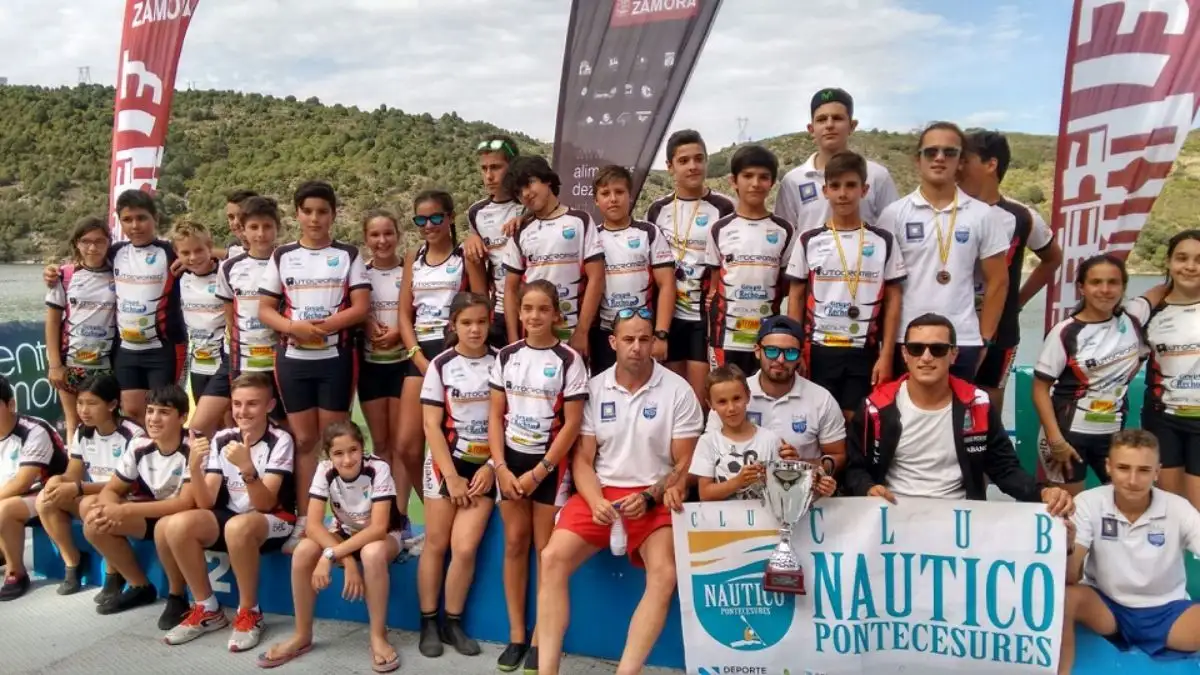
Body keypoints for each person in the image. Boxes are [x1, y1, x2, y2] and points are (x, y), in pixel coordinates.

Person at [536, 307, 703, 675]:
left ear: (654, 342)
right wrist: (596, 501)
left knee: (665, 574)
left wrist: (649, 496)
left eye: (644, 339)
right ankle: (546, 670)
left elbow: (685, 464)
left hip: (654, 496)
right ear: (613, 342)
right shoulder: (594, 388)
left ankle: (627, 671)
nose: (637, 347)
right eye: (628, 339)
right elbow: (583, 460)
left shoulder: (678, 390)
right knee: (551, 559)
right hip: (601, 491)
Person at [844, 313, 1074, 518]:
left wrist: (1043, 492)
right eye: (916, 348)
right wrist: (867, 488)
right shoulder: (876, 407)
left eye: (938, 349)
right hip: (894, 519)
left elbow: (1004, 468)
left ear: (954, 354)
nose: (926, 357)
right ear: (905, 354)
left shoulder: (978, 404)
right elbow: (855, 469)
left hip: (959, 524)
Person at [258, 181, 369, 549]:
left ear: (333, 214)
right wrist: (294, 328)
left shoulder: (348, 254)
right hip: (294, 361)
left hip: (336, 360)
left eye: (322, 211)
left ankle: (342, 520)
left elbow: (360, 307)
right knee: (305, 441)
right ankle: (306, 520)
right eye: (308, 211)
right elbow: (265, 310)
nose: (315, 218)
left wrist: (321, 328)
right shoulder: (282, 255)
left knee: (333, 441)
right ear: (297, 214)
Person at [488, 280, 589, 672]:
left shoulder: (569, 359)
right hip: (510, 465)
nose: (534, 316)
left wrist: (541, 470)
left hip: (549, 467)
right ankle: (517, 635)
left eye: (543, 309)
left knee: (546, 553)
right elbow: (495, 417)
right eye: (527, 308)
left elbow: (572, 423)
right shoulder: (506, 355)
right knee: (515, 543)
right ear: (519, 312)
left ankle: (539, 641)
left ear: (556, 315)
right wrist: (500, 467)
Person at [159, 372, 296, 651]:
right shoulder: (222, 438)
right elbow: (206, 501)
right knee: (176, 525)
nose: (242, 411)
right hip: (234, 519)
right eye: (237, 404)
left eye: (252, 404)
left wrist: (247, 469)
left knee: (238, 526)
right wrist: (194, 467)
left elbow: (265, 504)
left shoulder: (280, 439)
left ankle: (250, 612)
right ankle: (207, 608)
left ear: (269, 406)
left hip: (274, 520)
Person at [256, 421, 404, 672]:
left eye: (353, 450)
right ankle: (302, 635)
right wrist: (347, 562)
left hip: (383, 536)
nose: (347, 460)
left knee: (371, 553)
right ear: (328, 454)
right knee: (304, 550)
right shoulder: (324, 470)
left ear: (362, 447)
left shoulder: (378, 468)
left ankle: (378, 636)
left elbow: (378, 528)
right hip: (344, 533)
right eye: (338, 453)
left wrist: (330, 555)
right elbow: (313, 526)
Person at [876, 122, 1010, 382]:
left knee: (958, 410)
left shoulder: (982, 214)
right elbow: (884, 285)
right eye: (931, 152)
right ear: (918, 160)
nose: (939, 158)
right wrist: (886, 344)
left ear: (960, 161)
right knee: (903, 409)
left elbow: (998, 281)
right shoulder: (894, 214)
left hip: (962, 339)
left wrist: (984, 338)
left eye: (949, 152)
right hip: (907, 338)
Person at [1059, 430, 1200, 674]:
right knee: (1065, 597)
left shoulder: (1178, 508)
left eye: (1144, 470)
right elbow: (1070, 577)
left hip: (1168, 613)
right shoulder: (1088, 502)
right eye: (1123, 468)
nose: (1133, 480)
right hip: (1108, 608)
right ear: (1108, 467)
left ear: (1157, 472)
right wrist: (1069, 545)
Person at [44, 189, 187, 424]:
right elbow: (87, 259)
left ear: (155, 218)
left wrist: (210, 258)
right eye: (127, 220)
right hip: (126, 350)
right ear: (120, 222)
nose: (135, 226)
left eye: (141, 218)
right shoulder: (115, 252)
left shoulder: (171, 252)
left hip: (163, 348)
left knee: (162, 410)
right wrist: (53, 272)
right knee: (130, 411)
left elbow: (203, 254)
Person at [785, 151, 905, 417]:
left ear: (864, 190)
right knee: (818, 419)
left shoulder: (883, 240)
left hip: (863, 349)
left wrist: (886, 355)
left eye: (851, 185)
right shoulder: (808, 240)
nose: (843, 194)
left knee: (856, 421)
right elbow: (796, 297)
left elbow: (894, 298)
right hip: (818, 349)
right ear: (825, 191)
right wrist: (795, 349)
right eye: (836, 186)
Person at [397, 190, 487, 541]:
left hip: (456, 349)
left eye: (436, 217)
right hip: (421, 354)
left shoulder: (465, 255)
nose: (429, 225)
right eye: (421, 220)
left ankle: (462, 508)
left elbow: (480, 302)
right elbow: (404, 314)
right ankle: (436, 510)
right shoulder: (413, 257)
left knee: (455, 435)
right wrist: (416, 355)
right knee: (407, 445)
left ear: (450, 217)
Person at [417, 292, 497, 659]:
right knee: (436, 543)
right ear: (454, 325)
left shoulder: (502, 362)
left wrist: (492, 467)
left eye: (481, 322)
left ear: (490, 323)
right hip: (445, 466)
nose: (475, 329)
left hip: (483, 470)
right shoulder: (441, 364)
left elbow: (507, 422)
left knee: (464, 548)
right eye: (466, 323)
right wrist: (450, 477)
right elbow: (431, 426)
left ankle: (453, 622)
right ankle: (428, 622)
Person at [959, 130, 1062, 411]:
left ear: (990, 164)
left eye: (965, 159)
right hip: (953, 325)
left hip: (1000, 331)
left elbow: (1053, 259)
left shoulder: (1021, 216)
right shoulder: (947, 212)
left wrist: (1017, 302)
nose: (957, 166)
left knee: (988, 407)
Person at [1035, 255, 1147, 495]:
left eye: (1113, 282)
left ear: (1123, 287)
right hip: (1067, 435)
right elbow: (1039, 389)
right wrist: (1056, 441)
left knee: (1126, 501)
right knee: (1070, 510)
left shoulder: (1133, 320)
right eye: (1096, 282)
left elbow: (1166, 290)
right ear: (1081, 288)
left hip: (1113, 434)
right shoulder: (1065, 332)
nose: (1105, 290)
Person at [79, 384, 193, 619]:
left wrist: (126, 510)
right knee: (94, 523)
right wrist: (109, 508)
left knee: (166, 526)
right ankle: (139, 586)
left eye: (164, 412)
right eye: (150, 411)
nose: (154, 418)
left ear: (182, 417)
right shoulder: (140, 444)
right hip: (151, 512)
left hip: (187, 517)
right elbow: (112, 488)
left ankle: (177, 595)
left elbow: (185, 503)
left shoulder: (194, 445)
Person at [645, 130, 736, 408]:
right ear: (670, 166)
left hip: (702, 316)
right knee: (672, 398)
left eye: (699, 158)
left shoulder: (724, 207)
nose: (693, 166)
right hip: (668, 315)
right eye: (683, 161)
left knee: (700, 399)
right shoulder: (657, 209)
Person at [35, 374, 143, 596]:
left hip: (129, 500)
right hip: (94, 494)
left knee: (90, 504)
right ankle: (72, 562)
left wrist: (78, 488)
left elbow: (128, 485)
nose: (84, 410)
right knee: (46, 500)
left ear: (112, 405)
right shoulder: (83, 432)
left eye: (92, 403)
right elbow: (72, 474)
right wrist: (57, 481)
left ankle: (114, 571)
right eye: (80, 403)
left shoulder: (133, 434)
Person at [704, 316, 847, 468]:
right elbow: (708, 453)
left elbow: (838, 456)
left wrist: (800, 465)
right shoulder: (732, 395)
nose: (780, 360)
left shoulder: (821, 399)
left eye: (790, 352)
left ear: (800, 356)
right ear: (757, 351)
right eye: (772, 351)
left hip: (798, 483)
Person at [706, 144, 796, 375]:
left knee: (765, 392)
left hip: (767, 336)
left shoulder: (785, 230)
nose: (755, 183)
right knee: (726, 391)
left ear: (772, 182)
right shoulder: (719, 228)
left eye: (763, 177)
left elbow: (787, 284)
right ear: (733, 181)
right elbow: (715, 283)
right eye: (747, 176)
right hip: (726, 335)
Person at [501, 155, 605, 355]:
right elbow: (510, 290)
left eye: (529, 183)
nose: (526, 194)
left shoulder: (580, 220)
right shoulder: (520, 230)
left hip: (572, 330)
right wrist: (514, 340)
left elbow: (597, 277)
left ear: (547, 179)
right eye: (519, 191)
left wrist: (582, 331)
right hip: (532, 333)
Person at [1126, 230, 1200, 506]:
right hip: (1164, 419)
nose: (1190, 266)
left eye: (1199, 260)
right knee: (1170, 509)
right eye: (1182, 258)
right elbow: (1122, 357)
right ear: (1169, 261)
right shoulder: (1150, 311)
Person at [691, 364, 836, 502]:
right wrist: (738, 482)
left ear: (748, 396)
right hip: (723, 519)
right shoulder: (707, 442)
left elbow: (786, 487)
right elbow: (705, 494)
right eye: (722, 402)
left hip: (765, 516)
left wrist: (818, 486)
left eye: (736, 398)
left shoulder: (771, 440)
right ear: (711, 405)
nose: (731, 408)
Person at [775, 87, 900, 235]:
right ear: (811, 129)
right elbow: (784, 236)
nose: (829, 125)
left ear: (852, 126)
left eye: (837, 118)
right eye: (821, 119)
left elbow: (893, 231)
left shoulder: (877, 175)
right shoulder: (792, 181)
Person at [590, 165, 676, 374]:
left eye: (619, 192)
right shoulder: (591, 237)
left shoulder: (649, 232)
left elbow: (667, 284)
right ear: (596, 200)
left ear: (630, 195)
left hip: (643, 333)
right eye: (605, 193)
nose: (613, 199)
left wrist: (661, 334)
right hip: (605, 333)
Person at [357, 209, 410, 524]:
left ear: (398, 235)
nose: (382, 240)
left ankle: (401, 515)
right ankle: (383, 512)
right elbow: (355, 310)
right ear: (366, 239)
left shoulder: (410, 272)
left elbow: (419, 312)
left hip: (403, 366)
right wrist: (367, 324)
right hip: (371, 368)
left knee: (402, 445)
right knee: (381, 443)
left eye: (388, 233)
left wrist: (399, 333)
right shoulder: (361, 274)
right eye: (375, 235)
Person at [216, 195, 286, 426]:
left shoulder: (287, 262)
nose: (261, 233)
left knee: (283, 422)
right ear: (243, 229)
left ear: (277, 228)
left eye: (267, 226)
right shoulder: (229, 267)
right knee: (246, 419)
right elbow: (230, 316)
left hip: (281, 358)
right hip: (244, 359)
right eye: (254, 227)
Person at [45, 216, 117, 441]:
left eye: (99, 241)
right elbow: (52, 322)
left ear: (109, 242)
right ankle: (74, 462)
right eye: (86, 241)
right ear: (77, 243)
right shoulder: (65, 275)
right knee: (73, 423)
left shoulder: (117, 274)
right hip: (71, 363)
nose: (93, 247)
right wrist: (55, 365)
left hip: (106, 364)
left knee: (107, 422)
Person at [0, 375, 69, 600]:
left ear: (11, 404)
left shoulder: (34, 430)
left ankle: (16, 572)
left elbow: (22, 483)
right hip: (11, 495)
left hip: (47, 495)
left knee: (4, 509)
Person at [464, 134, 525, 348]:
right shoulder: (476, 212)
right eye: (484, 168)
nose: (489, 176)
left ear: (513, 167)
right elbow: (477, 263)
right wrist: (471, 238)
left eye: (496, 167)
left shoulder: (529, 205)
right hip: (499, 310)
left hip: (533, 308)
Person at [171, 221, 230, 438]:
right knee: (206, 430)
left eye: (199, 250)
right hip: (198, 364)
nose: (193, 257)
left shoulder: (226, 272)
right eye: (185, 253)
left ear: (210, 247)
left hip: (224, 362)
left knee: (228, 423)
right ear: (177, 254)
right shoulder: (180, 277)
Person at [223, 189, 259, 259]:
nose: (236, 222)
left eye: (241, 216)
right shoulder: (232, 251)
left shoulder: (276, 256)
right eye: (231, 217)